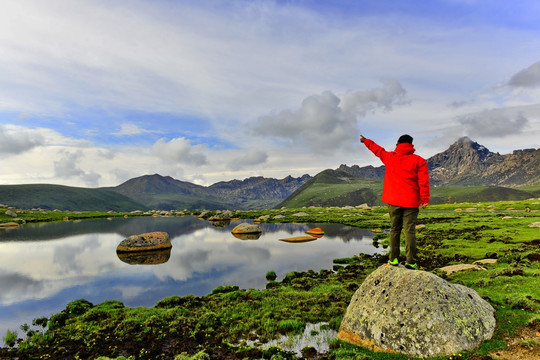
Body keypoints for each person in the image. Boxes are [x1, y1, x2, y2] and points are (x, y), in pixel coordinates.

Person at [360, 134, 430, 270]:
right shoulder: (419, 161)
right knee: (410, 231)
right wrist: (425, 199)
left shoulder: (390, 157)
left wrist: (366, 141)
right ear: (411, 145)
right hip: (411, 202)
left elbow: (377, 150)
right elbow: (424, 182)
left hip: (393, 201)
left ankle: (393, 259)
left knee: (394, 230)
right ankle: (411, 261)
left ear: (398, 144)